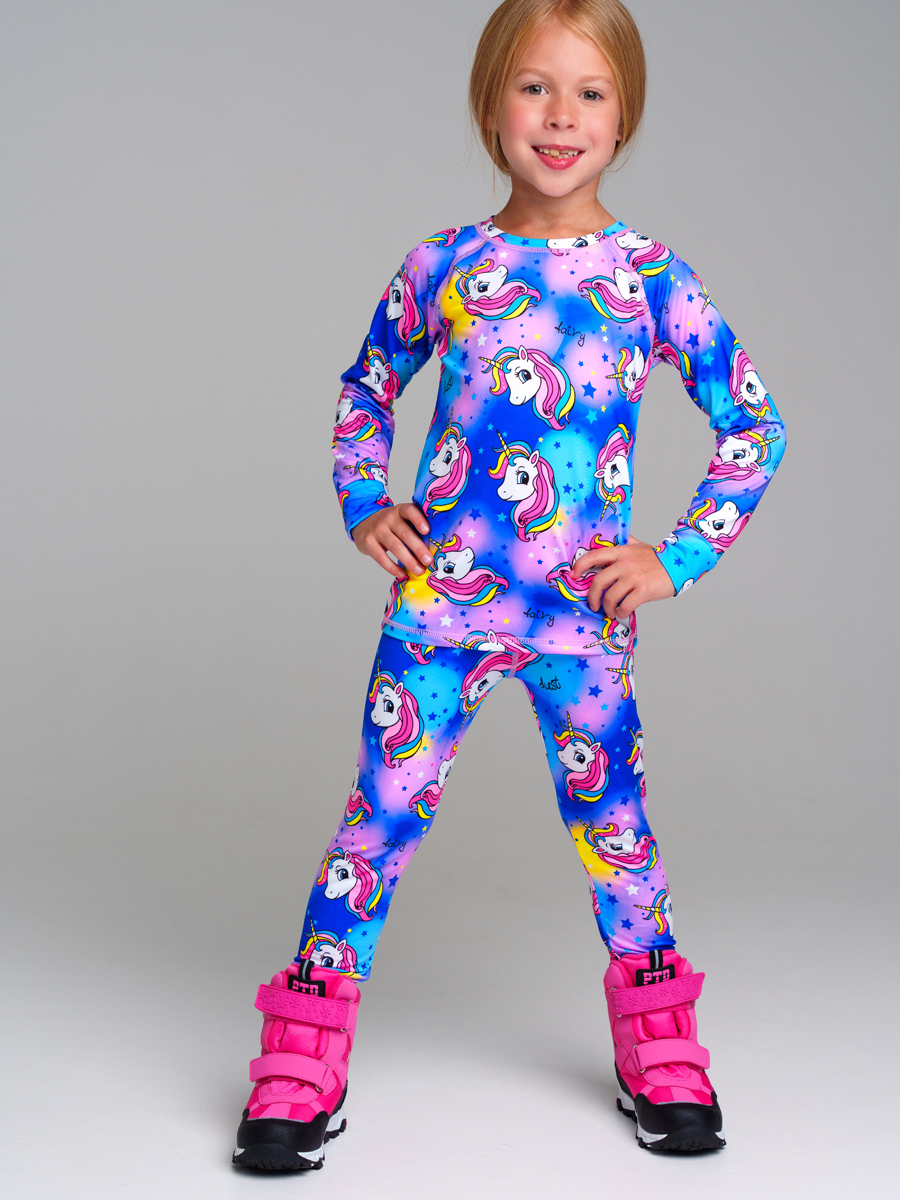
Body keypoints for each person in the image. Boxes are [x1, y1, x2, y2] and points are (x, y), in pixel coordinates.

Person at [232, 0, 785, 1170]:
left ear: (624, 114)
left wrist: (674, 557)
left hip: (583, 625)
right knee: (377, 820)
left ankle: (661, 1046)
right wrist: (363, 501)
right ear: (490, 106)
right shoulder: (446, 263)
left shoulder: (649, 276)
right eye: (534, 87)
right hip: (440, 614)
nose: (561, 116)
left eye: (590, 92)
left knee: (617, 832)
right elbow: (366, 387)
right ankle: (304, 1053)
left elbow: (754, 427)